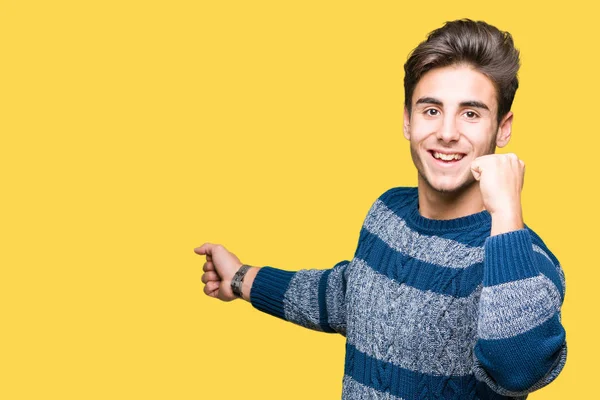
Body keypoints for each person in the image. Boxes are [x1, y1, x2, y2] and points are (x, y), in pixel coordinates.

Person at [195, 19, 567, 400]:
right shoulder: (387, 212)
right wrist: (240, 278)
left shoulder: (525, 259)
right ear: (408, 119)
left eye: (471, 114)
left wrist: (506, 215)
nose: (448, 132)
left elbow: (518, 369)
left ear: (502, 129)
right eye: (431, 110)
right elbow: (347, 296)